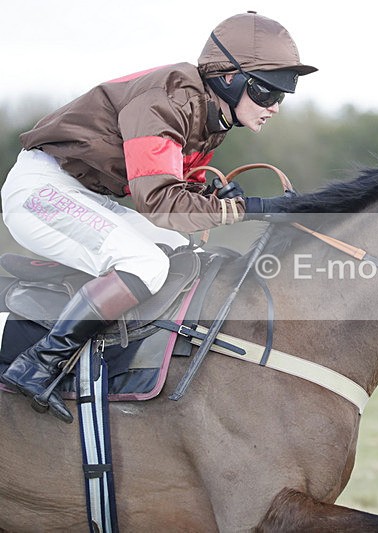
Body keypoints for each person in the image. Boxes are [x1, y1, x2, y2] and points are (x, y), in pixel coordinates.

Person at [0, 11, 316, 423]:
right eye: (267, 93)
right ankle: (39, 365)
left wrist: (216, 195)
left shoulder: (210, 116)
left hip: (83, 193)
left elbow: (183, 191)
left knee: (179, 250)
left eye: (281, 97)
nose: (274, 107)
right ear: (229, 78)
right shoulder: (166, 99)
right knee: (144, 262)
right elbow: (162, 204)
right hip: (42, 191)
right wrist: (251, 209)